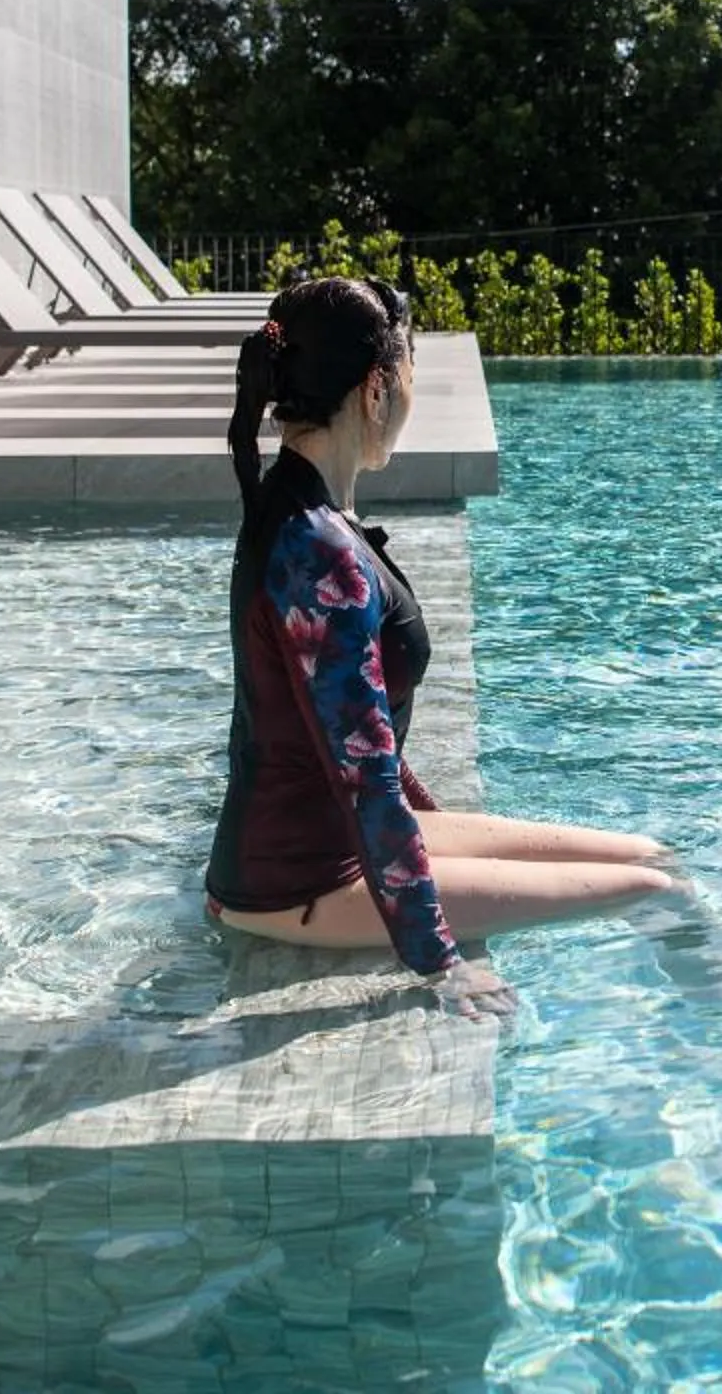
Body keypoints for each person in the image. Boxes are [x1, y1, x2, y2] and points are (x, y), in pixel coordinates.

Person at [206, 276, 676, 1017]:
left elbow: (356, 741)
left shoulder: (306, 511)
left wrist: (432, 823)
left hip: (331, 841)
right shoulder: (315, 550)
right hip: (299, 882)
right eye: (412, 371)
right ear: (376, 388)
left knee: (652, 856)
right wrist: (442, 963)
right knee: (653, 890)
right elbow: (364, 780)